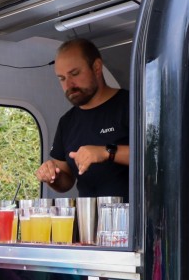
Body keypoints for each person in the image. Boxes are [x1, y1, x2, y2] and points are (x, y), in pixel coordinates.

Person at [36, 38, 129, 198]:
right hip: (88, 218)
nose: (69, 84)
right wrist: (52, 175)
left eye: (74, 74)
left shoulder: (132, 104)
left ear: (97, 67)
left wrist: (107, 152)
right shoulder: (67, 122)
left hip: (135, 217)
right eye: (62, 78)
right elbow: (66, 180)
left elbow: (156, 157)